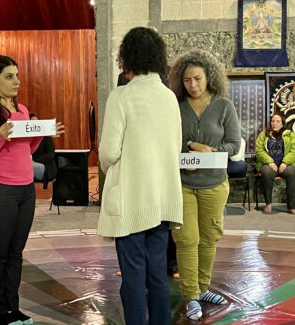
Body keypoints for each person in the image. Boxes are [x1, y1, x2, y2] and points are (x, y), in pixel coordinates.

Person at [98, 27, 184, 325]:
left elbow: (108, 152)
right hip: (161, 200)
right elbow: (173, 148)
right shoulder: (169, 98)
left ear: (127, 57)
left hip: (131, 200)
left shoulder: (121, 96)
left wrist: (118, 169)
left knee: (133, 280)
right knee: (158, 276)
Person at [0, 55, 64, 325]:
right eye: (9, 76)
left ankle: (12, 308)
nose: (17, 81)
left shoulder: (21, 110)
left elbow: (27, 150)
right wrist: (0, 136)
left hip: (26, 190)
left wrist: (42, 133)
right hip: (0, 190)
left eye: (17, 75)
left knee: (16, 253)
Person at [168, 49, 241, 320]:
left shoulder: (224, 106)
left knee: (209, 239)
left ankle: (203, 287)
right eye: (187, 80)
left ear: (208, 77)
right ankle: (191, 295)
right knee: (186, 240)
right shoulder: (175, 106)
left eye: (197, 79)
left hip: (214, 184)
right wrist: (188, 148)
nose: (193, 85)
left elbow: (234, 145)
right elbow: (168, 144)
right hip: (183, 184)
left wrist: (207, 150)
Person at [255, 112, 295, 215]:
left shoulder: (290, 135)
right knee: (266, 172)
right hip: (269, 164)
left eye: (277, 121)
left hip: (286, 164)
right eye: (273, 121)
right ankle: (268, 203)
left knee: (291, 173)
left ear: (282, 123)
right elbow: (259, 151)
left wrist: (285, 162)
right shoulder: (264, 134)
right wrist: (269, 161)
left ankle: (291, 206)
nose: (274, 123)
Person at [29, 113, 56, 184]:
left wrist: (34, 160)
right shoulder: (26, 139)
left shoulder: (46, 138)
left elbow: (50, 155)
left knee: (28, 165)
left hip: (45, 166)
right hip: (29, 164)